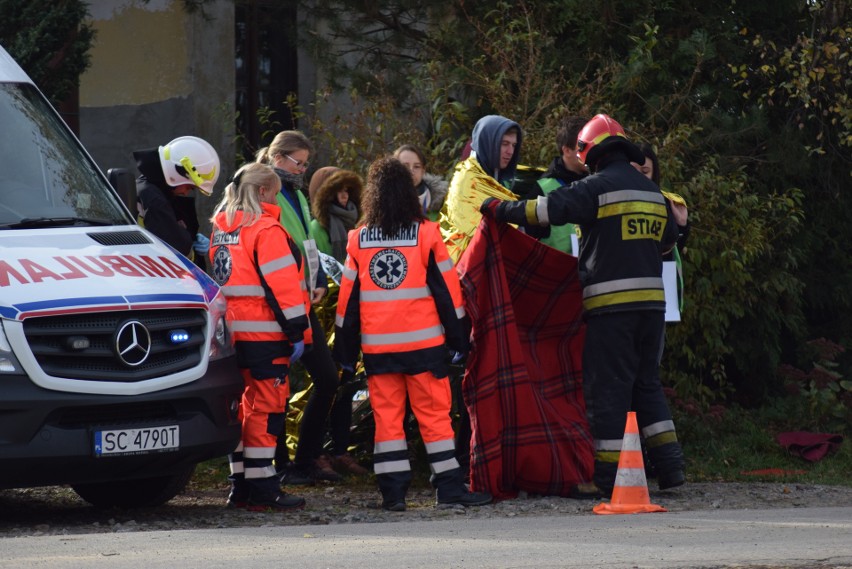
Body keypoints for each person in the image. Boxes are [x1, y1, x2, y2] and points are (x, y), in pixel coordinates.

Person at [480, 114, 686, 495]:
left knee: (608, 390)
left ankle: (607, 479)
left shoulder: (596, 187)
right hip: (653, 309)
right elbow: (669, 240)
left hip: (611, 310)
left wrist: (496, 208)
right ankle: (671, 469)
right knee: (647, 385)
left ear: (591, 153)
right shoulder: (651, 192)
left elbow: (543, 211)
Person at [334, 156, 492, 511]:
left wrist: (343, 354)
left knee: (388, 423)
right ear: (409, 194)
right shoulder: (427, 234)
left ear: (371, 196)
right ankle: (449, 489)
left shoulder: (358, 240)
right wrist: (459, 340)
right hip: (424, 347)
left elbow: (347, 305)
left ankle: (393, 496)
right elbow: (449, 295)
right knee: (434, 419)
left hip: (379, 352)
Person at [208, 162, 311, 511]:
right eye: (278, 194)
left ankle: (240, 485)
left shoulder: (221, 228)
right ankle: (264, 487)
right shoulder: (266, 230)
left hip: (229, 335)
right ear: (265, 192)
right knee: (266, 410)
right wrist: (298, 332)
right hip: (264, 335)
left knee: (240, 409)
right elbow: (283, 288)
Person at [256, 131, 342, 483]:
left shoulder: (296, 194)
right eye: (298, 163)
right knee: (274, 388)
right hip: (274, 308)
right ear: (277, 158)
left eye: (306, 164)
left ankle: (303, 461)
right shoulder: (259, 192)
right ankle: (277, 467)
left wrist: (318, 276)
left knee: (326, 379)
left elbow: (306, 243)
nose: (303, 170)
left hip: (301, 303)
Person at [307, 166, 370, 476]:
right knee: (322, 386)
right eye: (337, 192)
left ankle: (341, 450)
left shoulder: (359, 223)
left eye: (347, 191)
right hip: (327, 313)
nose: (344, 197)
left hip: (352, 313)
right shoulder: (317, 228)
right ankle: (317, 452)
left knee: (346, 382)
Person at [441, 115, 523, 261]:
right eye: (504, 143)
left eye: (513, 145)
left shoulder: (499, 182)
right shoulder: (467, 180)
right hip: (464, 270)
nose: (510, 151)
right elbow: (471, 232)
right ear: (488, 143)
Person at [134, 135, 219, 268]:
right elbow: (177, 250)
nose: (185, 193)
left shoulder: (149, 189)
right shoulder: (154, 199)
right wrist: (189, 245)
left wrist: (190, 237)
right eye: (189, 187)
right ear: (175, 175)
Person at [536, 115, 588, 255]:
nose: (589, 151)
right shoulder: (541, 189)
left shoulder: (598, 183)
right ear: (566, 150)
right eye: (582, 147)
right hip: (554, 273)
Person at [310, 168, 363, 263]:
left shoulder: (357, 225)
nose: (345, 195)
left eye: (346, 190)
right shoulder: (315, 229)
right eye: (339, 191)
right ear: (327, 196)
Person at [393, 144, 448, 222]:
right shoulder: (380, 206)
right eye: (405, 166)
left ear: (423, 171)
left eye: (417, 167)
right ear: (394, 170)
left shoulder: (443, 206)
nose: (411, 171)